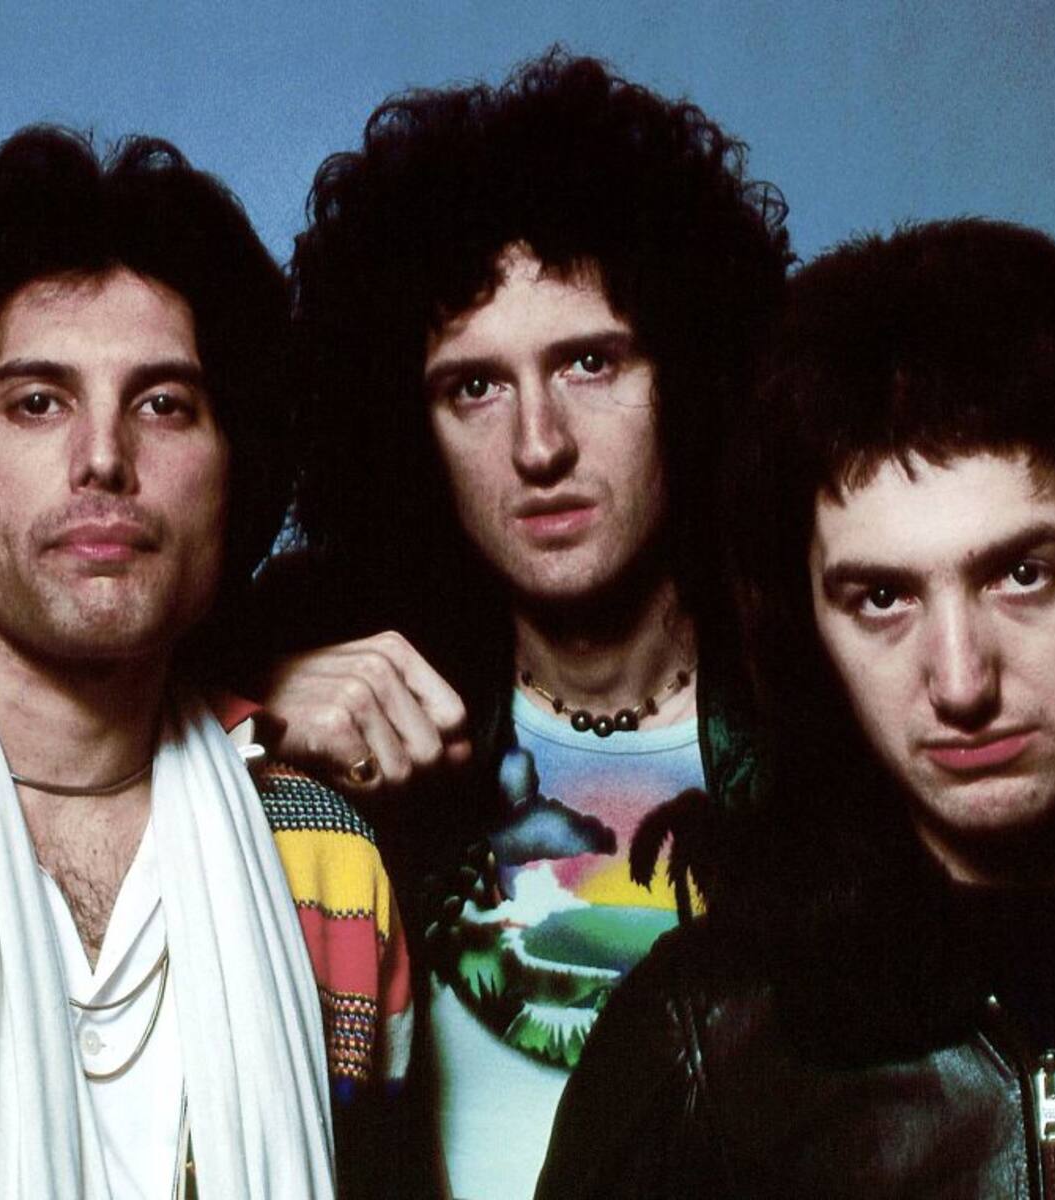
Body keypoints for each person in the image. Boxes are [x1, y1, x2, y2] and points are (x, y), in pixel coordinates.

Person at [261, 48, 791, 1199]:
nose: (539, 444)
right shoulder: (349, 702)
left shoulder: (832, 716)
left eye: (590, 363)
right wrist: (246, 719)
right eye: (475, 386)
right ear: (408, 427)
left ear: (690, 373)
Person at [536, 218, 1055, 1198]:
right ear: (807, 627)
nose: (961, 683)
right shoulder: (703, 1040)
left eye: (1022, 575)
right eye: (883, 598)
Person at [0, 127, 410, 1199]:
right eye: (37, 401)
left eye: (163, 404)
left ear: (236, 473)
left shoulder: (329, 864)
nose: (104, 457)